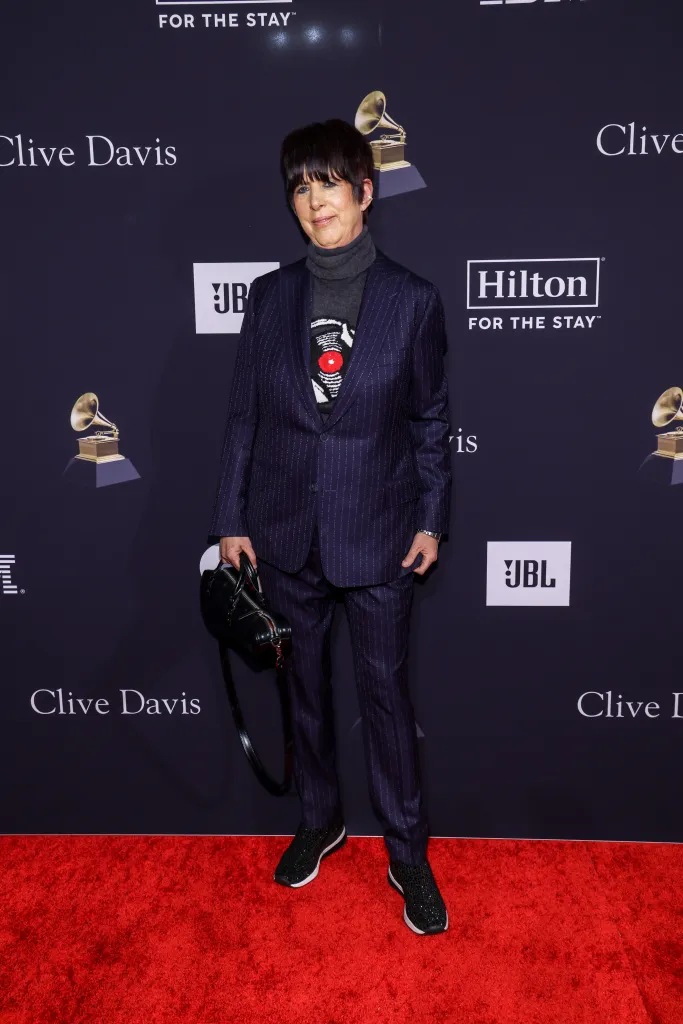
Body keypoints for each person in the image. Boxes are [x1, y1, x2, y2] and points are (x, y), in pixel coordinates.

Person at [210, 118, 452, 935]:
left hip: (380, 533)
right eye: (300, 186)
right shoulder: (269, 296)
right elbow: (243, 417)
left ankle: (407, 852)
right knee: (302, 693)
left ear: (365, 191)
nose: (314, 200)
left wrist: (431, 517)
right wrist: (229, 518)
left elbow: (429, 419)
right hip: (283, 533)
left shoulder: (412, 300)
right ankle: (321, 819)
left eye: (328, 183)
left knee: (384, 698)